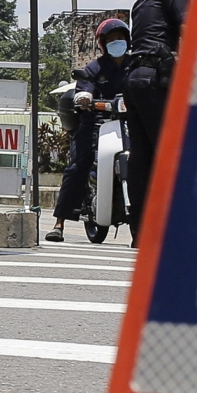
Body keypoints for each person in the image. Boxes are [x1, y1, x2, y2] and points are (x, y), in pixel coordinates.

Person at [121, 0, 197, 240]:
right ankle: (174, 227)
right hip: (157, 79)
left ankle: (141, 229)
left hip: (136, 78)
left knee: (142, 157)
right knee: (171, 151)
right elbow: (188, 28)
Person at [49, 16, 132, 241]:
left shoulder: (135, 66)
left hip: (129, 125)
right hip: (96, 124)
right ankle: (59, 223)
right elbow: (84, 86)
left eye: (121, 38)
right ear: (103, 44)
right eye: (112, 39)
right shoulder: (94, 68)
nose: (117, 42)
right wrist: (85, 96)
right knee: (78, 166)